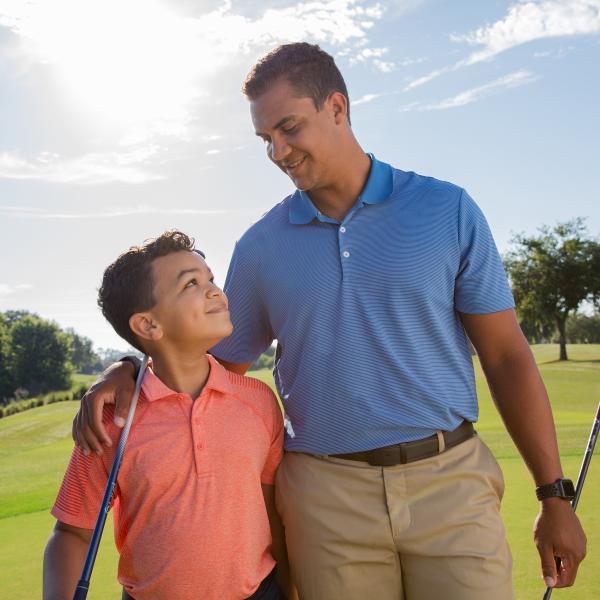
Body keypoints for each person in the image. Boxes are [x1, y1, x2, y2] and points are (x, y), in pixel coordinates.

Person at [72, 44, 586, 600]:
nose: (278, 151)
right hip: (325, 500)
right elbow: (200, 363)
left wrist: (553, 496)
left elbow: (507, 355)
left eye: (288, 128)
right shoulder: (261, 247)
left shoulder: (447, 210)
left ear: (337, 107)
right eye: (265, 138)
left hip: (451, 483)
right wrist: (127, 365)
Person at [44, 231, 290, 600]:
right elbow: (71, 532)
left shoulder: (259, 402)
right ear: (148, 326)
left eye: (210, 278)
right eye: (191, 283)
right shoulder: (112, 421)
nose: (215, 291)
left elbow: (275, 515)